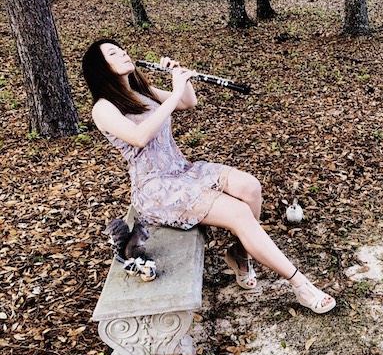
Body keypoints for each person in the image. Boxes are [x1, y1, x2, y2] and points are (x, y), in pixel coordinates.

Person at [82, 38, 335, 314]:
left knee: (250, 187)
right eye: (113, 53)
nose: (123, 54)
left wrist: (179, 79)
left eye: (122, 49)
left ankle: (240, 254)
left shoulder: (140, 91)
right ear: (100, 67)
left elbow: (188, 102)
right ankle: (300, 285)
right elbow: (140, 137)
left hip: (182, 170)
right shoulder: (104, 108)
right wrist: (175, 90)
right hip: (158, 189)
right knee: (239, 213)